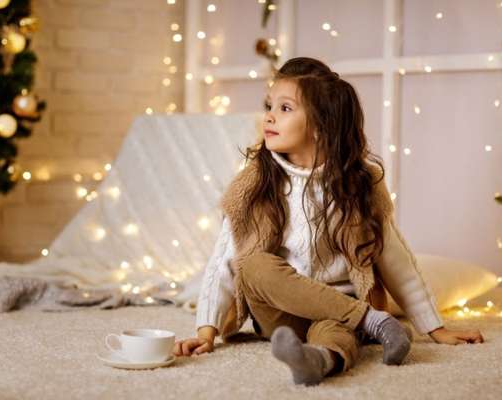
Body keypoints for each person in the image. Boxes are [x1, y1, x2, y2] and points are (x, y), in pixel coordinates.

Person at [174, 57, 484, 386]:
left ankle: (318, 360)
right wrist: (205, 332)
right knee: (252, 266)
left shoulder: (361, 184)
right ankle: (374, 322)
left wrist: (435, 327)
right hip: (279, 313)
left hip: (339, 309)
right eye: (270, 105)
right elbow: (223, 261)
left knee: (337, 332)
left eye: (285, 108)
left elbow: (394, 259)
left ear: (322, 125)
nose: (269, 116)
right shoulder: (254, 183)